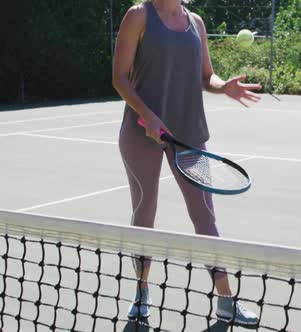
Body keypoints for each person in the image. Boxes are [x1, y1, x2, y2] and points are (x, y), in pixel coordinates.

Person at [112, 0, 261, 325]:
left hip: (189, 134)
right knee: (144, 213)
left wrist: (225, 87)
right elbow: (120, 78)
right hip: (142, 133)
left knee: (205, 217)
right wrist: (148, 116)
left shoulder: (196, 22)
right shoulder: (139, 16)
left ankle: (226, 301)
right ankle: (141, 292)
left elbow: (206, 77)